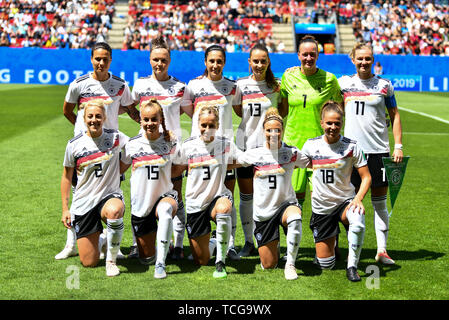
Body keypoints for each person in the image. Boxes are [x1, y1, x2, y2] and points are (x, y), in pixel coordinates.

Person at [56, 42, 136, 260]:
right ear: (91, 59)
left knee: (113, 193)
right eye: (97, 58)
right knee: (78, 193)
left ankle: (113, 246)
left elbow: (130, 109)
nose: (101, 63)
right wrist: (80, 130)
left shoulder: (120, 85)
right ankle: (71, 243)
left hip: (111, 149)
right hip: (85, 150)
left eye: (105, 59)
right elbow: (67, 110)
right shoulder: (79, 84)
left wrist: (149, 127)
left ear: (111, 60)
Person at [338, 42, 403, 265]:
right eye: (360, 58)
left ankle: (382, 250)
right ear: (352, 59)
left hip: (379, 152)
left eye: (368, 58)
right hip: (351, 154)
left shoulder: (384, 85)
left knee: (379, 203)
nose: (364, 62)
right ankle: (352, 249)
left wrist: (398, 145)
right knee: (349, 202)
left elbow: (394, 115)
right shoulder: (344, 84)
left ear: (373, 59)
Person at [181, 45, 240, 260]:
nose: (215, 65)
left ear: (224, 63)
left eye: (219, 61)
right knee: (201, 193)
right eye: (211, 61)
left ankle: (229, 244)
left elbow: (240, 109)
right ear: (205, 62)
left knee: (227, 198)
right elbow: (190, 110)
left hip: (224, 152)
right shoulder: (194, 85)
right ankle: (206, 239)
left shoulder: (232, 86)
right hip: (201, 152)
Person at [130, 36, 187, 260]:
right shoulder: (141, 85)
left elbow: (183, 111)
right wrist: (143, 127)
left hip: (171, 151)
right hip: (146, 150)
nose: (159, 64)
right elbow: (131, 107)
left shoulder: (180, 87)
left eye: (163, 60)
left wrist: (169, 129)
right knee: (139, 195)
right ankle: (137, 244)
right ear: (149, 60)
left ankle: (178, 245)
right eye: (155, 59)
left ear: (169, 60)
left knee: (177, 196)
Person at [236, 108, 310, 280]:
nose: (273, 133)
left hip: (286, 205)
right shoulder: (255, 154)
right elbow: (233, 162)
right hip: (264, 212)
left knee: (295, 218)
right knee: (268, 265)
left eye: (277, 130)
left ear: (282, 131)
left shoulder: (292, 152)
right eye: (269, 130)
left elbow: (313, 162)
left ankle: (290, 264)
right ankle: (274, 247)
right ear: (264, 131)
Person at [301, 101, 371, 282]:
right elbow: (295, 164)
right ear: (322, 122)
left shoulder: (351, 146)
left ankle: (352, 266)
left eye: (337, 123)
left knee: (358, 218)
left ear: (342, 123)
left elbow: (366, 177)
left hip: (345, 202)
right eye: (329, 123)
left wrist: (358, 199)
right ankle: (333, 240)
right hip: (322, 207)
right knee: (326, 264)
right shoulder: (310, 145)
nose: (333, 127)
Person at [60, 100, 129, 277]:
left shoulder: (115, 137)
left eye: (98, 116)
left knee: (115, 211)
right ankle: (103, 237)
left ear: (104, 118)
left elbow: (136, 146)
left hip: (108, 195)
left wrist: (121, 168)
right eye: (90, 116)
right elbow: (67, 177)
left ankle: (111, 261)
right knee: (88, 262)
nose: (94, 120)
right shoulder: (73, 144)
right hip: (84, 202)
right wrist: (66, 209)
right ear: (84, 118)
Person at [173, 106, 241, 279]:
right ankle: (214, 242)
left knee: (224, 208)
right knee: (201, 260)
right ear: (198, 125)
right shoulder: (188, 146)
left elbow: (241, 160)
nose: (207, 129)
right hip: (196, 203)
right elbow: (176, 171)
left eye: (211, 125)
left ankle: (221, 262)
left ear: (217, 125)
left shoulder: (226, 144)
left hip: (218, 196)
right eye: (204, 125)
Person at [279, 35, 343, 211]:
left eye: (312, 54)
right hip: (293, 147)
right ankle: (293, 238)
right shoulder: (288, 76)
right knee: (293, 204)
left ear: (318, 56)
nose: (308, 58)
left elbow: (340, 108)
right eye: (305, 54)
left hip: (320, 149)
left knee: (322, 204)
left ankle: (325, 238)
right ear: (298, 55)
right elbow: (283, 110)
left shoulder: (329, 80)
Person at [232, 43, 281, 258]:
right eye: (255, 61)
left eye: (263, 61)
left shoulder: (277, 86)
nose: (259, 64)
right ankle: (249, 241)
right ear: (249, 62)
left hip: (270, 151)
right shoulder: (241, 85)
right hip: (245, 148)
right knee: (247, 196)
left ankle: (269, 239)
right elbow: (237, 110)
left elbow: (283, 111)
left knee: (269, 196)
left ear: (268, 62)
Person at [120, 99, 179, 279]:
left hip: (165, 196)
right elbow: (118, 170)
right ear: (140, 121)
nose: (150, 124)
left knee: (166, 210)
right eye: (146, 120)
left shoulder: (171, 142)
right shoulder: (132, 144)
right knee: (146, 259)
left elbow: (182, 166)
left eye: (154, 119)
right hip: (141, 206)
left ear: (161, 120)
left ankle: (161, 264)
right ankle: (157, 250)